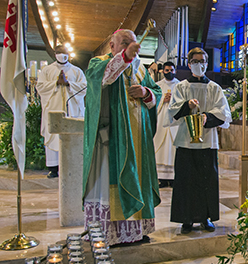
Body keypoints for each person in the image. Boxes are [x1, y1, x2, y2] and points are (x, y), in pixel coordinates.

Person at [82, 29, 162, 246]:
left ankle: (135, 231)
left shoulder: (141, 70)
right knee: (111, 181)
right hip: (112, 138)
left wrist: (146, 92)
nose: (130, 48)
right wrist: (125, 57)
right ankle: (111, 233)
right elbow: (105, 78)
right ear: (112, 45)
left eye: (133, 44)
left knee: (139, 178)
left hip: (139, 139)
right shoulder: (98, 63)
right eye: (125, 43)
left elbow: (157, 92)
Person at [168, 47, 231, 234]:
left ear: (206, 63)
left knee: (207, 181)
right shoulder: (181, 87)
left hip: (207, 141)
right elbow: (172, 111)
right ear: (189, 64)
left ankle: (205, 218)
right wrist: (187, 105)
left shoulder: (214, 88)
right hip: (185, 141)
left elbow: (224, 112)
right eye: (195, 61)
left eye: (202, 61)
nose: (199, 65)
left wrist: (207, 117)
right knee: (185, 181)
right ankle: (186, 220)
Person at [36, 45, 86, 178]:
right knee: (54, 136)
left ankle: (72, 166)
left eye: (64, 52)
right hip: (54, 108)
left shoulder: (76, 71)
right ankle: (53, 168)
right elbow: (40, 87)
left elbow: (85, 87)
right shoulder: (47, 71)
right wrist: (56, 83)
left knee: (71, 138)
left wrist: (69, 83)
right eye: (59, 52)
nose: (61, 55)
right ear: (54, 53)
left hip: (72, 110)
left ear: (69, 54)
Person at [154, 61, 179, 187]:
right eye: (167, 70)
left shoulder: (181, 86)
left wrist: (173, 100)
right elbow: (152, 103)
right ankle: (162, 179)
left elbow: (183, 103)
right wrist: (163, 100)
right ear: (162, 71)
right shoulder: (157, 86)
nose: (170, 72)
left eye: (172, 70)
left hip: (175, 122)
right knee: (161, 147)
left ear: (175, 71)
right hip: (161, 121)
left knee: (173, 147)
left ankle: (174, 178)